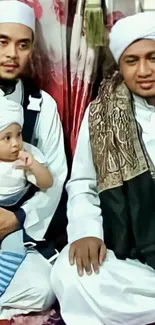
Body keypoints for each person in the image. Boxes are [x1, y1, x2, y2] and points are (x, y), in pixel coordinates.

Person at [52, 12, 155, 325]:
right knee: (69, 273)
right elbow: (83, 182)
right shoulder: (100, 113)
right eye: (132, 61)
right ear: (120, 66)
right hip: (131, 251)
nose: (144, 70)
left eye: (153, 57)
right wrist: (85, 232)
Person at [0, 0, 67, 320]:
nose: (12, 53)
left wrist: (19, 218)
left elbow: (56, 175)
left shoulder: (42, 106)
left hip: (17, 227)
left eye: (22, 44)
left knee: (43, 289)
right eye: (2, 42)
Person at [0, 93, 53, 297]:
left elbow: (47, 184)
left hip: (14, 215)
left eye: (19, 134)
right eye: (7, 138)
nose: (16, 143)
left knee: (14, 249)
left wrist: (34, 166)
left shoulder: (25, 157)